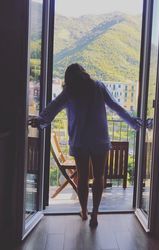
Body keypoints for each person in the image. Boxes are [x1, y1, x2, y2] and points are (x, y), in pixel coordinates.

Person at [30, 63, 142, 227]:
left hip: (80, 140)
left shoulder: (69, 92)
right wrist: (134, 122)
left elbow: (51, 109)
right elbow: (116, 107)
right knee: (99, 177)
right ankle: (95, 214)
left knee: (82, 178)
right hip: (99, 139)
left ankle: (84, 212)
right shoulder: (98, 87)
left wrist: (39, 120)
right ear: (84, 73)